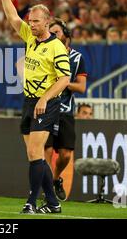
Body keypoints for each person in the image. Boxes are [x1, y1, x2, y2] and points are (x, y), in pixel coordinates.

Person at [0, 0, 71, 214]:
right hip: (29, 101)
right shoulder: (30, 37)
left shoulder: (56, 46)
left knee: (33, 152)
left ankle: (31, 201)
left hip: (45, 103)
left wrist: (45, 98)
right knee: (35, 156)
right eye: (31, 21)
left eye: (36, 21)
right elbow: (11, 16)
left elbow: (65, 79)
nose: (32, 24)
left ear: (47, 22)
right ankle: (53, 203)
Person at [44, 19, 87, 201]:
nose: (53, 36)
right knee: (45, 151)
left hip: (65, 110)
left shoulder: (77, 58)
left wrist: (64, 83)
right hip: (46, 108)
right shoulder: (45, 54)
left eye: (57, 33)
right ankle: (47, 192)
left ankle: (55, 178)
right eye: (51, 33)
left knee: (65, 154)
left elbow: (82, 87)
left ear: (66, 36)